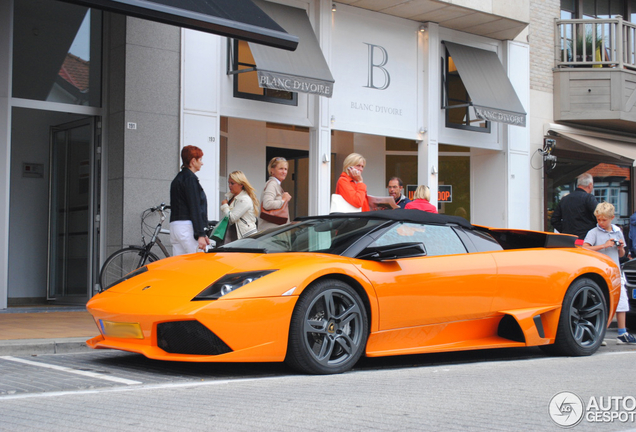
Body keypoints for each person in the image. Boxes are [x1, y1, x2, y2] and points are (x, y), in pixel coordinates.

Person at [583, 202, 635, 344]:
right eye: (598, 219)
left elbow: (622, 254)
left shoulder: (617, 231)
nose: (600, 222)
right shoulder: (593, 232)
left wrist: (620, 247)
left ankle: (622, 333)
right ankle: (600, 334)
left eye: (603, 220)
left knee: (622, 301)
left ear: (612, 218)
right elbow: (585, 248)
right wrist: (603, 246)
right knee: (603, 302)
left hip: (615, 270)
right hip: (600, 272)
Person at [169, 145, 210, 255]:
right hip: (187, 227)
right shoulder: (190, 179)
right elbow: (195, 206)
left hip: (175, 226)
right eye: (200, 159)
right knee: (198, 263)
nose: (202, 163)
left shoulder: (177, 179)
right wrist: (201, 234)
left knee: (180, 265)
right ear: (193, 161)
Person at [551, 173, 598, 240]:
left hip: (568, 240)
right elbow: (599, 216)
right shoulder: (589, 198)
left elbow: (554, 220)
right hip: (586, 239)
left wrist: (565, 231)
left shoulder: (565, 199)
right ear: (590, 185)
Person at [220, 170, 259, 244]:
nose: (229, 186)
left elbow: (231, 218)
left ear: (241, 184)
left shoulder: (244, 199)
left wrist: (224, 205)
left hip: (247, 238)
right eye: (229, 183)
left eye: (232, 183)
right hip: (238, 237)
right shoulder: (233, 197)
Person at [259, 157, 292, 232]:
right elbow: (267, 204)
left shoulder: (275, 184)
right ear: (272, 170)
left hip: (273, 233)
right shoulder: (272, 184)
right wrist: (283, 200)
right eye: (281, 169)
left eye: (285, 169)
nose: (284, 172)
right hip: (272, 234)